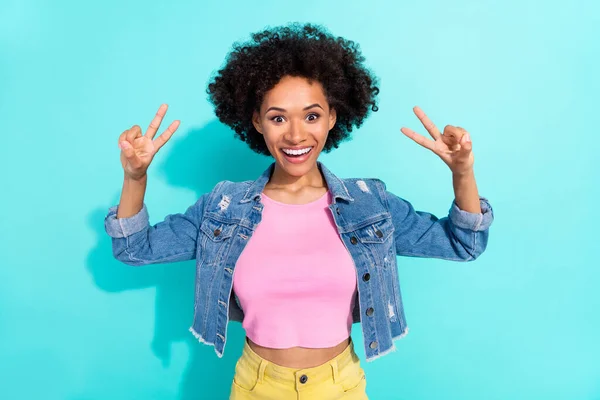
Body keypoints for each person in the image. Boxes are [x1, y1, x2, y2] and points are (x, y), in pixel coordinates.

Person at [104, 23, 494, 400]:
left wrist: (463, 172)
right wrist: (135, 177)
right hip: (256, 387)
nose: (295, 135)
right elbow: (134, 249)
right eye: (277, 117)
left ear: (333, 117)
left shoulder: (369, 204)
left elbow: (464, 244)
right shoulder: (223, 208)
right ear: (256, 121)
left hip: (339, 387)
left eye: (311, 115)